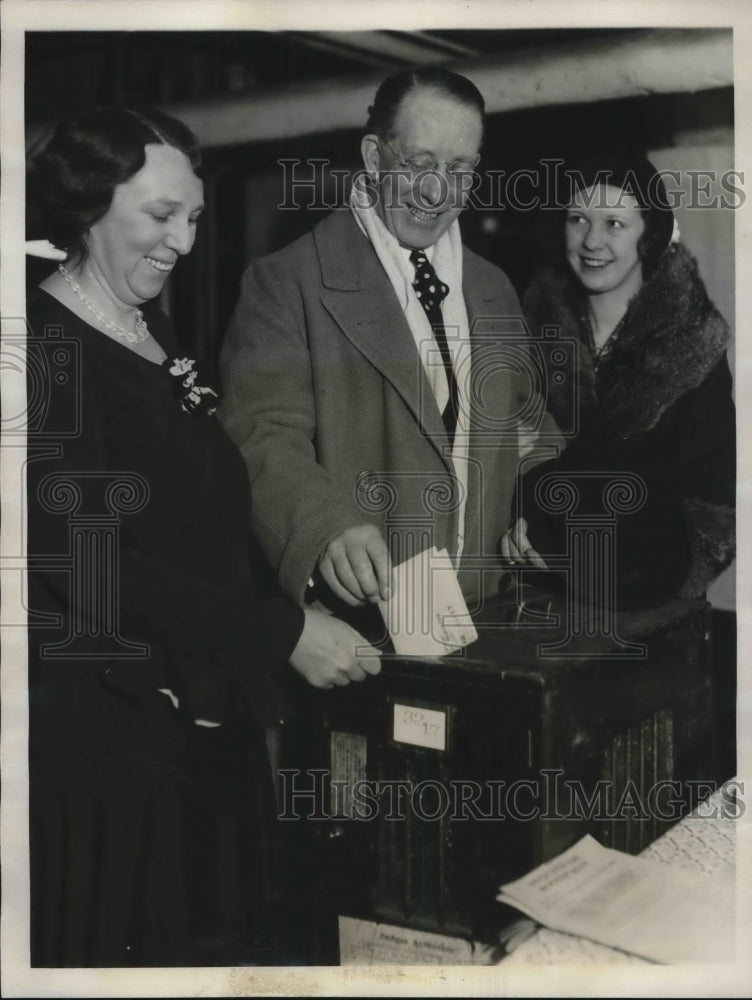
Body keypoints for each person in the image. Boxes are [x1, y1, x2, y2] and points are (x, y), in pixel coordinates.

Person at [25, 106, 381, 968]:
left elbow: (195, 515)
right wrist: (281, 631)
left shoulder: (145, 328)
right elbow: (93, 567)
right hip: (111, 744)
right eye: (159, 215)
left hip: (196, 713)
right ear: (84, 205)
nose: (182, 241)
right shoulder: (43, 352)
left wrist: (312, 559)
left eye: (192, 218)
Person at [219, 68, 555, 625]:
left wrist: (546, 507)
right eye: (419, 163)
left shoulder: (494, 286)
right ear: (374, 158)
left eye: (459, 169)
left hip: (489, 613)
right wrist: (322, 529)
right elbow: (259, 436)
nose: (436, 191)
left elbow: (529, 427)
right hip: (363, 623)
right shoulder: (286, 282)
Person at [503, 153, 735, 611]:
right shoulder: (525, 331)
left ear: (648, 232)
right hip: (536, 602)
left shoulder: (692, 344)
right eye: (578, 219)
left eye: (614, 223)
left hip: (652, 610)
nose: (592, 241)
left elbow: (718, 507)